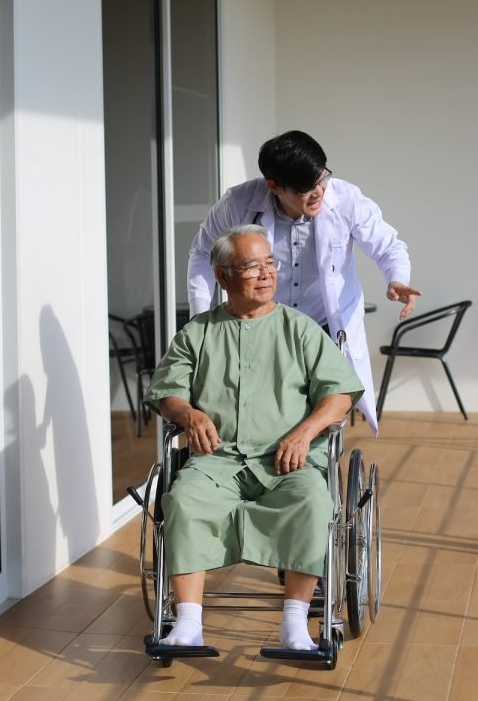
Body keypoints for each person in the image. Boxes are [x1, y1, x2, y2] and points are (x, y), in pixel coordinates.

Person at [145, 225, 363, 651]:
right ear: (223, 278)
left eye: (270, 263)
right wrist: (187, 413)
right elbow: (166, 392)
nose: (266, 274)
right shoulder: (198, 333)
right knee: (182, 501)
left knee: (314, 501)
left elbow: (340, 394)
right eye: (251, 266)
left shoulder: (299, 329)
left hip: (289, 460)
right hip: (216, 460)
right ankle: (188, 624)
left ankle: (295, 624)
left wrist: (305, 433)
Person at [188, 130, 422, 434]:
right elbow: (202, 252)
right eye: (305, 189)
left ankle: (315, 471)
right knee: (264, 408)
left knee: (323, 414)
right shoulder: (238, 202)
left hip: (324, 326)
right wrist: (199, 315)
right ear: (274, 186)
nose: (319, 192)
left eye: (321, 179)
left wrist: (397, 279)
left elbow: (388, 246)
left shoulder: (346, 198)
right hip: (263, 325)